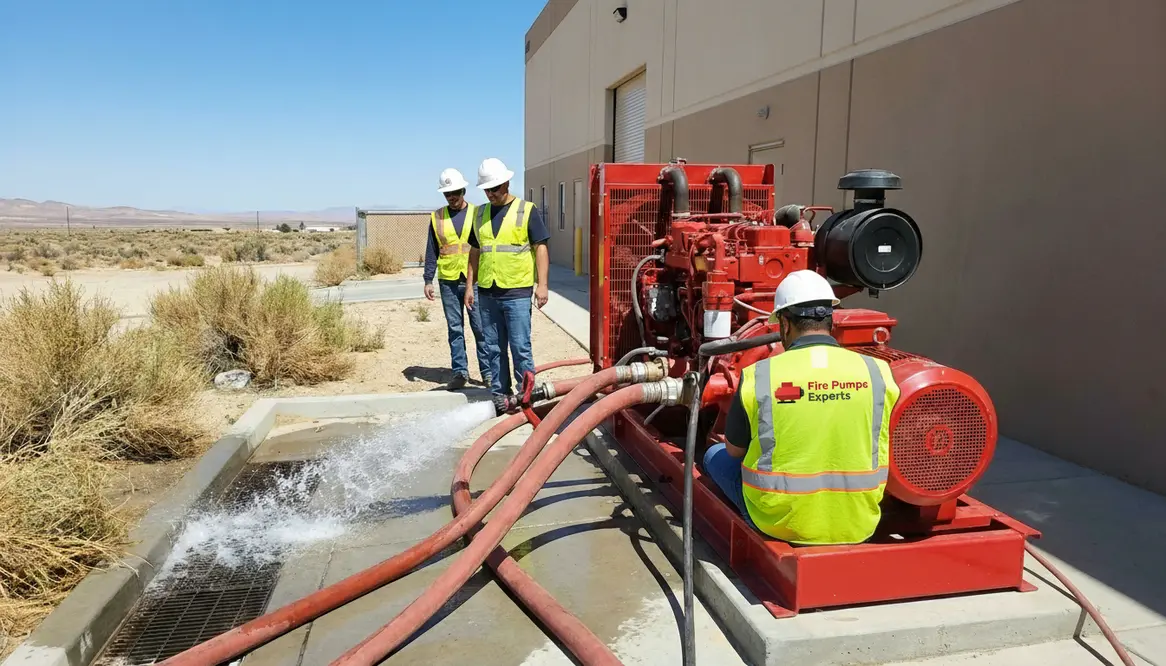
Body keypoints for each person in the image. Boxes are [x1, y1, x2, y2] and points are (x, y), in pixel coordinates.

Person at [702, 270, 901, 545]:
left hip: (779, 522)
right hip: (859, 523)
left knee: (713, 454)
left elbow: (735, 451)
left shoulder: (760, 375)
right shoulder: (878, 372)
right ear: (831, 319)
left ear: (784, 323)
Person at [463, 157, 550, 410]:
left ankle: (526, 396)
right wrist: (470, 286)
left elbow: (540, 248)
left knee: (520, 347)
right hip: (488, 292)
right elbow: (475, 251)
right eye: (486, 190)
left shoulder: (526, 210)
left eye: (495, 189)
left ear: (507, 184)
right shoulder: (479, 214)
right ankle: (501, 396)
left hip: (517, 292)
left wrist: (542, 284)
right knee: (494, 348)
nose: (490, 194)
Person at [422, 167, 492, 390]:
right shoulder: (437, 217)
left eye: (455, 192)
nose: (452, 197)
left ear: (464, 190)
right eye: (447, 194)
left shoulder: (478, 213)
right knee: (455, 329)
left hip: (476, 280)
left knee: (481, 328)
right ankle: (460, 372)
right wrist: (427, 279)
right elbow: (432, 249)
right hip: (449, 280)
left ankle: (488, 372)